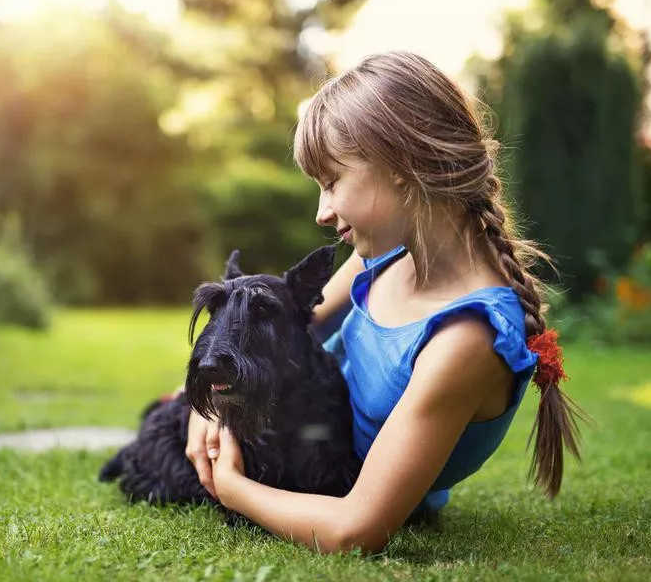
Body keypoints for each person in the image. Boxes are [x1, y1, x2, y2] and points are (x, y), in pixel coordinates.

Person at [184, 51, 583, 554]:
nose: (322, 213)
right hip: (300, 427)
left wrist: (233, 487)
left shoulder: (467, 337)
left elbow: (356, 528)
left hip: (331, 483)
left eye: (331, 183)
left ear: (400, 164)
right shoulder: (388, 252)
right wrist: (213, 403)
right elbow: (280, 330)